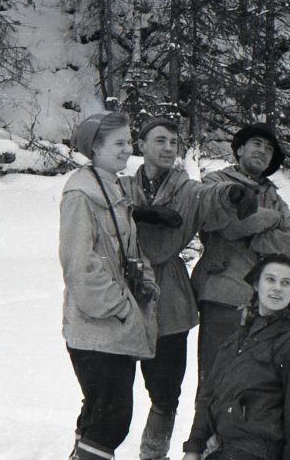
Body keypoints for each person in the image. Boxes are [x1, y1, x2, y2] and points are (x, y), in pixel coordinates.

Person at [119, 116, 259, 460]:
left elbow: (209, 197)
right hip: (123, 291)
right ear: (142, 145)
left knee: (165, 391)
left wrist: (231, 193)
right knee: (112, 385)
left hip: (170, 298)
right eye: (161, 140)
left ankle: (153, 454)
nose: (169, 148)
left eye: (173, 143)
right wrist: (136, 213)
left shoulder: (186, 188)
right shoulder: (121, 185)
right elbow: (101, 208)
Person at [59, 111, 160, 460]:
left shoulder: (112, 186)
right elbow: (78, 265)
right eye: (118, 143)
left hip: (111, 328)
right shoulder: (81, 193)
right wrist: (120, 307)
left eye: (128, 141)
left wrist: (145, 280)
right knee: (111, 418)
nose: (127, 149)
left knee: (100, 412)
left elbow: (130, 250)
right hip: (98, 325)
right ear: (96, 147)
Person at [191, 123, 290, 384]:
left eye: (269, 148)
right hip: (223, 294)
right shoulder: (217, 183)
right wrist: (272, 220)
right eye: (257, 144)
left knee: (253, 384)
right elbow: (228, 227)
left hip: (263, 301)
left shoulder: (274, 196)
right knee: (215, 380)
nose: (263, 151)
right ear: (239, 150)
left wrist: (253, 230)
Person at [183, 254, 290, 460]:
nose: (277, 288)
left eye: (286, 283)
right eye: (270, 279)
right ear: (256, 284)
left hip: (258, 452)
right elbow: (208, 396)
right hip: (221, 450)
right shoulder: (236, 339)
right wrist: (193, 448)